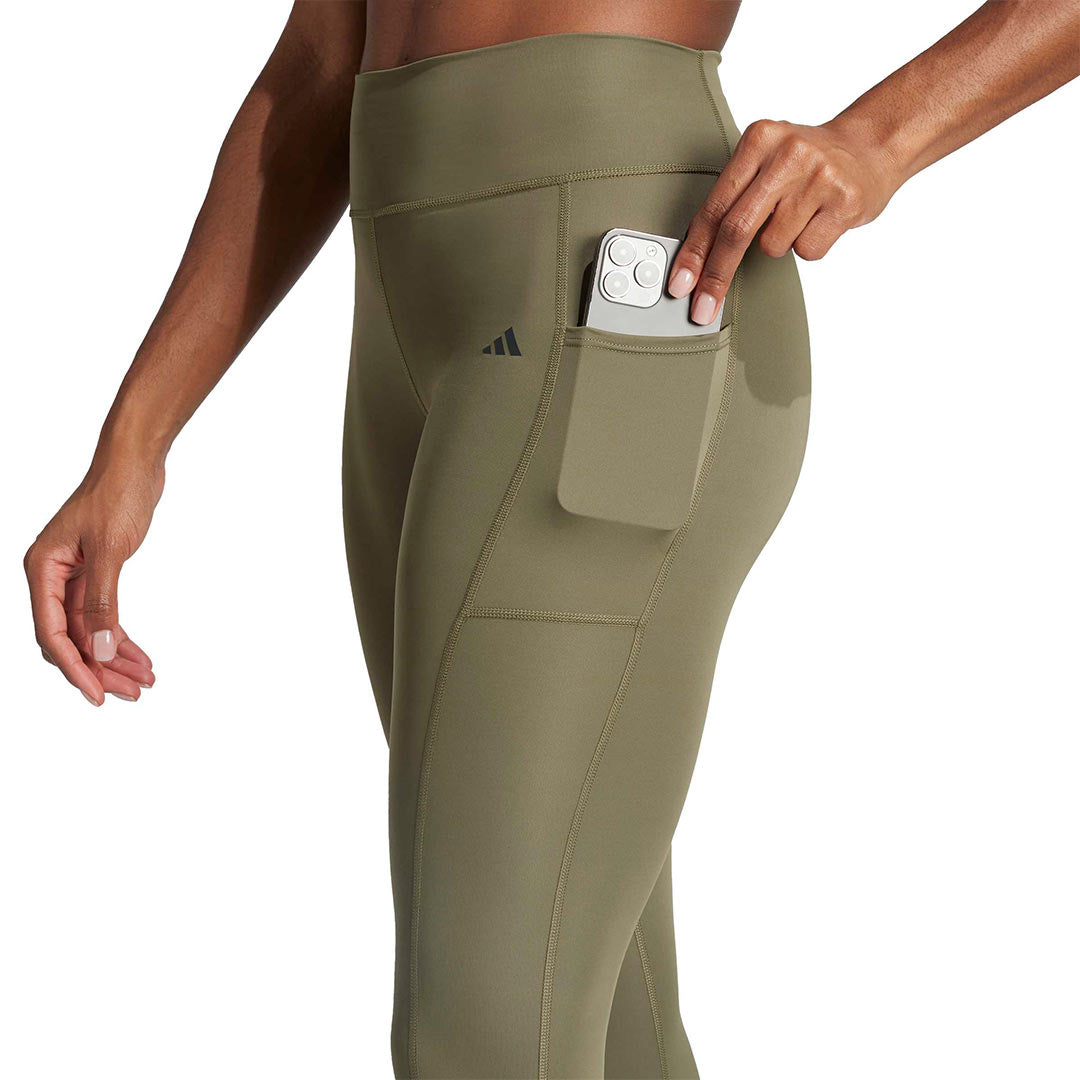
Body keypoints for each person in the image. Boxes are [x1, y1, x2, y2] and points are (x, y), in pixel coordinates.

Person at [23, 3, 1079, 1077]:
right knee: (597, 1024)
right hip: (413, 330)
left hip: (623, 297)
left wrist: (879, 140)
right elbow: (318, 64)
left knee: (484, 1032)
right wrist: (136, 438)